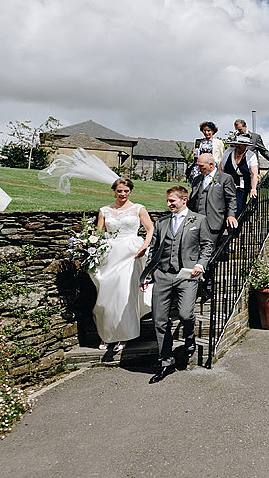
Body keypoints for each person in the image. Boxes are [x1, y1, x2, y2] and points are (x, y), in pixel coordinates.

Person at [140, 186, 214, 384]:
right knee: (159, 320)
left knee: (185, 314)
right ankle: (166, 361)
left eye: (172, 201)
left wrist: (200, 264)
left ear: (184, 200)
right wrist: (147, 275)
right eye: (167, 201)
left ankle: (189, 337)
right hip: (163, 275)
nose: (168, 204)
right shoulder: (161, 223)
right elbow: (154, 251)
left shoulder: (199, 220)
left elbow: (207, 245)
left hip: (187, 275)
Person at [92, 177, 153, 351]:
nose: (122, 194)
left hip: (131, 254)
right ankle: (107, 334)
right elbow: (99, 233)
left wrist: (144, 246)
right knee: (106, 295)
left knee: (124, 293)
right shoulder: (104, 210)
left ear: (130, 191)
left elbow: (150, 229)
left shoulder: (138, 208)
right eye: (119, 191)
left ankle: (124, 335)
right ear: (114, 191)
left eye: (126, 191)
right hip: (110, 254)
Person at [188, 153, 238, 241]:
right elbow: (192, 200)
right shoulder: (197, 179)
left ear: (211, 164)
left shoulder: (225, 178)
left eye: (201, 166)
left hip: (214, 223)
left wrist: (231, 215)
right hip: (196, 222)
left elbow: (231, 199)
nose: (199, 169)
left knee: (210, 251)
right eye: (198, 166)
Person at [220, 133, 258, 215]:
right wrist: (225, 182)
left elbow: (254, 174)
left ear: (245, 145)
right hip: (226, 185)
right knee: (223, 210)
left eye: (240, 144)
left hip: (241, 188)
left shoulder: (251, 156)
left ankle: (236, 227)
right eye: (236, 144)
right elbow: (221, 169)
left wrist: (253, 189)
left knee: (237, 211)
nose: (237, 146)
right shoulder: (228, 152)